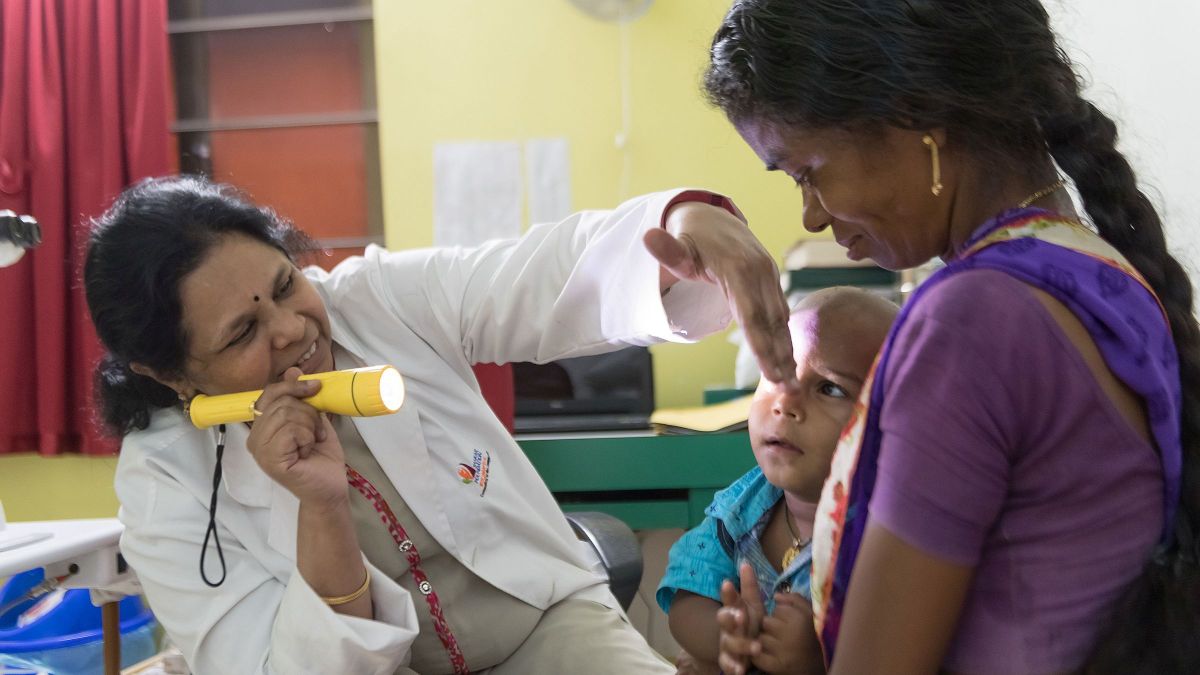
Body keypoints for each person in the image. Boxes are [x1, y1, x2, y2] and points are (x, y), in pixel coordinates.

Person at [83, 176, 799, 675]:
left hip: (544, 627)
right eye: (243, 331)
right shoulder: (166, 488)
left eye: (284, 284)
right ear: (170, 373)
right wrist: (321, 510)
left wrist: (676, 228)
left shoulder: (377, 300)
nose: (294, 329)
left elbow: (540, 274)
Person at [703, 1, 1200, 673]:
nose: (811, 215)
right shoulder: (1101, 271)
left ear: (915, 117)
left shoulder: (970, 320)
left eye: (807, 171)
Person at [657, 288, 897, 675]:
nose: (785, 402)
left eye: (830, 388)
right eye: (775, 373)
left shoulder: (885, 536)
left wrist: (816, 662)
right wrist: (729, 641)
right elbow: (689, 592)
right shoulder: (741, 507)